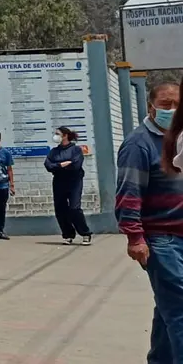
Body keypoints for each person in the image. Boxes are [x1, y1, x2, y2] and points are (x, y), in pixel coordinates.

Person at [116, 80, 181, 362]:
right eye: (166, 104)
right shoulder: (138, 143)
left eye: (178, 104)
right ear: (151, 107)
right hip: (161, 240)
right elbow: (128, 193)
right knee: (180, 310)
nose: (173, 109)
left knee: (170, 308)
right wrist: (135, 237)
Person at [45, 126, 92, 245]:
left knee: (74, 208)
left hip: (74, 181)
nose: (55, 136)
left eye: (58, 134)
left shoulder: (76, 150)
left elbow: (75, 165)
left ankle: (85, 233)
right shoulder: (54, 151)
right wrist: (61, 165)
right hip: (59, 181)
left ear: (65, 135)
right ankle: (68, 234)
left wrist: (58, 166)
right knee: (60, 209)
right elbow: (48, 165)